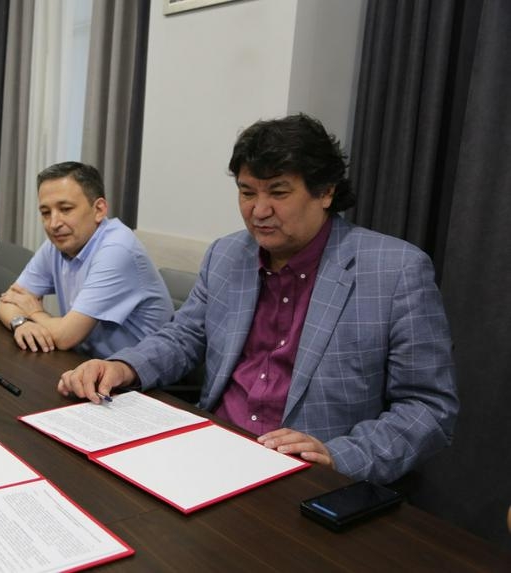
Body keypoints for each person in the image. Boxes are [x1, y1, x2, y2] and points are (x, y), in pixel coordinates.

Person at [57, 114, 458, 484]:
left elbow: (427, 406)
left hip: (307, 477)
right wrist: (124, 366)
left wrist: (340, 457)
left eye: (278, 192)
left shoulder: (394, 270)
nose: (258, 210)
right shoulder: (227, 254)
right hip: (213, 450)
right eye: (247, 192)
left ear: (325, 192)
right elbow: (184, 337)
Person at [0, 161, 174, 358]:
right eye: (46, 213)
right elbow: (7, 301)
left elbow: (66, 337)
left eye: (65, 209)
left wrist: (34, 313)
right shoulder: (59, 243)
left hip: (139, 371)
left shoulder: (117, 249)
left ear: (99, 210)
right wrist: (21, 323)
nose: (53, 223)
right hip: (85, 362)